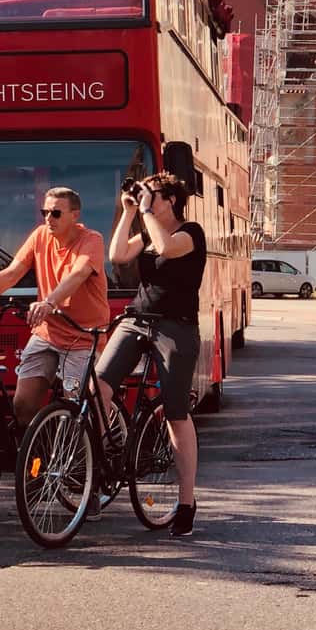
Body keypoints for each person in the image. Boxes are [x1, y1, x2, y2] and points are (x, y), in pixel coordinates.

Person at [95, 172, 206, 537]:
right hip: (137, 319)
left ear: (170, 200)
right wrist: (129, 211)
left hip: (176, 327)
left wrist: (145, 212)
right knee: (98, 387)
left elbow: (167, 248)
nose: (146, 198)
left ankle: (186, 502)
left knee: (176, 413)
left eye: (152, 194)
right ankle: (106, 458)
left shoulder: (191, 233)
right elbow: (117, 256)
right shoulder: (146, 231)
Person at [0, 187, 109, 432]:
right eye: (44, 212)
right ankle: (34, 450)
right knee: (23, 404)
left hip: (83, 336)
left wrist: (49, 302)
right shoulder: (40, 236)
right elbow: (12, 272)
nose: (48, 218)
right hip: (47, 333)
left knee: (74, 410)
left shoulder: (92, 240)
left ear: (75, 215)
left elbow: (78, 274)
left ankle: (89, 452)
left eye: (55, 213)